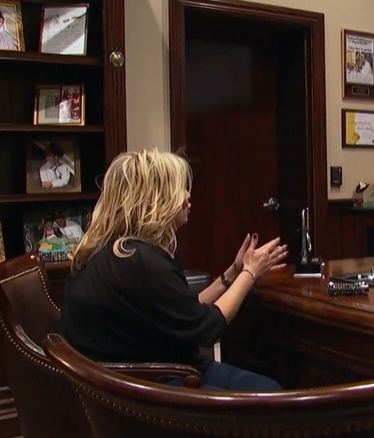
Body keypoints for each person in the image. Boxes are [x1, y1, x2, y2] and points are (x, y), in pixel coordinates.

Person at [59, 148, 288, 390]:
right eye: (179, 188)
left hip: (140, 376)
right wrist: (250, 272)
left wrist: (232, 273)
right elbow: (207, 329)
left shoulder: (117, 252)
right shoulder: (140, 262)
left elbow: (185, 311)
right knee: (269, 394)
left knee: (266, 387)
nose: (188, 196)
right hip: (150, 387)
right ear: (155, 198)